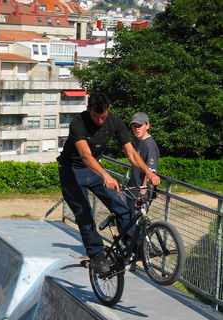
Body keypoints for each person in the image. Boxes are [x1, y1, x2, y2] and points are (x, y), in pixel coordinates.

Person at [57, 93, 160, 273]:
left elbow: (132, 154)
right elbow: (85, 156)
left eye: (102, 117)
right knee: (84, 213)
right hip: (71, 170)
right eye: (96, 117)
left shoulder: (115, 122)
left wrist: (148, 173)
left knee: (120, 205)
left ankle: (135, 246)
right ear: (88, 110)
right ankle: (97, 256)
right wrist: (105, 174)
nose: (99, 121)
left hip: (93, 170)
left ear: (108, 109)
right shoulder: (78, 123)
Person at [125, 112, 160, 212]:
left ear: (147, 125)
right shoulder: (138, 141)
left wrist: (141, 194)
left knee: (137, 224)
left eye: (139, 126)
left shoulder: (149, 145)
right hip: (132, 189)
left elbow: (150, 172)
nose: (136, 129)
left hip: (140, 194)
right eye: (134, 126)